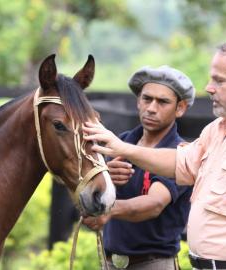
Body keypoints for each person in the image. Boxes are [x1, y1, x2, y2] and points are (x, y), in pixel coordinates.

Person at [83, 39, 226, 270]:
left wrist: (109, 209)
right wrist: (121, 147)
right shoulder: (217, 130)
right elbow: (180, 162)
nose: (209, 88)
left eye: (219, 80)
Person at [83, 65, 196, 270]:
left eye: (163, 102)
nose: (152, 108)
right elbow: (90, 191)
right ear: (138, 101)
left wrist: (108, 210)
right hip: (109, 263)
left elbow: (154, 204)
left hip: (154, 264)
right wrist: (106, 179)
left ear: (180, 108)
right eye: (147, 99)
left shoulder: (180, 153)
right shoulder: (123, 142)